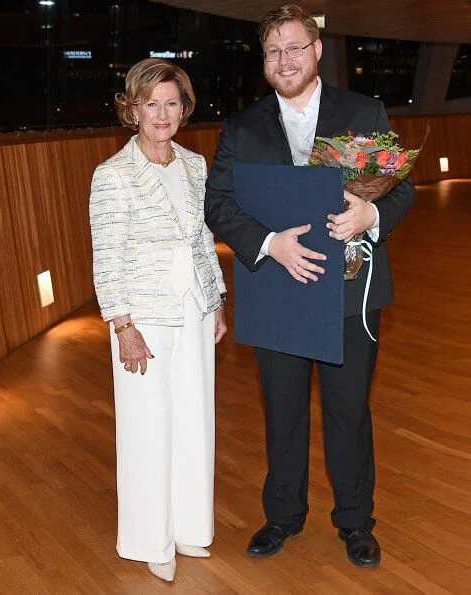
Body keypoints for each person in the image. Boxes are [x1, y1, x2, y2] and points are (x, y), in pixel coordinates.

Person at [205, 5, 414, 568]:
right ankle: (282, 517)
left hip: (349, 297)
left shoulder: (362, 110)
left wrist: (371, 216)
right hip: (276, 291)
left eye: (296, 47)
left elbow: (401, 187)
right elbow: (218, 205)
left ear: (317, 50)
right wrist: (270, 244)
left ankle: (355, 522)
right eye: (274, 51)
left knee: (349, 413)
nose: (285, 59)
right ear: (264, 60)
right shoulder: (242, 127)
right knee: (283, 412)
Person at [89, 58, 227, 583]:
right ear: (133, 108)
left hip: (192, 309)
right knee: (147, 428)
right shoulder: (113, 175)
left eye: (172, 102)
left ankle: (190, 526)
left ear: (184, 107)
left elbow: (200, 240)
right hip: (142, 316)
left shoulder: (195, 165)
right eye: (152, 103)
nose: (162, 113)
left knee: (195, 418)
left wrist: (214, 300)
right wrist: (122, 326)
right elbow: (106, 256)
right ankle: (151, 538)